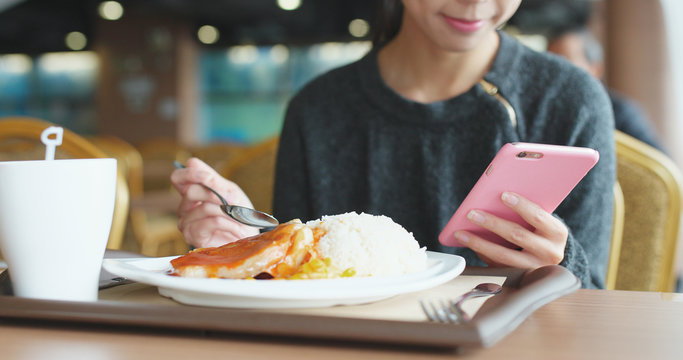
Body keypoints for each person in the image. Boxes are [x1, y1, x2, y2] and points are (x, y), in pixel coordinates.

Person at [171, 0, 616, 289]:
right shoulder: (319, 109)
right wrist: (251, 245)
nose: (478, 4)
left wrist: (560, 265)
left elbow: (594, 294)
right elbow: (298, 284)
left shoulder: (569, 100)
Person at [547, 28, 666, 152]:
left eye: (566, 64)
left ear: (596, 70)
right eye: (551, 65)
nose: (557, 73)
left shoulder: (620, 112)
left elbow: (660, 165)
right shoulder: (544, 112)